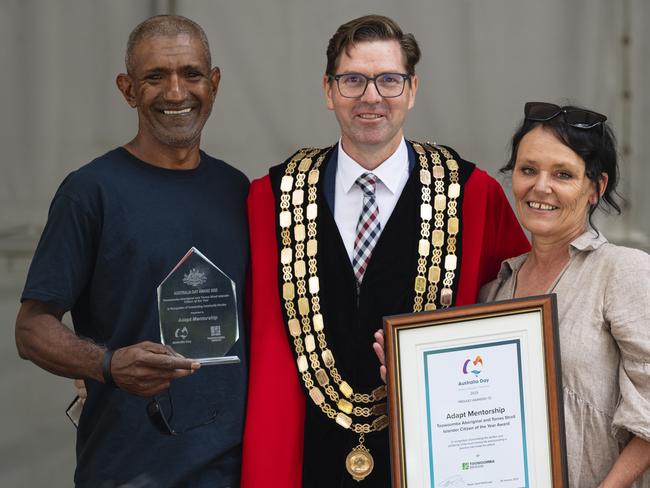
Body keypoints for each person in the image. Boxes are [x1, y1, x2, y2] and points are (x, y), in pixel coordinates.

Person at [241, 15, 530, 487]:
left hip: (433, 457)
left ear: (412, 89)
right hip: (304, 457)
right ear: (328, 90)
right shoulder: (271, 199)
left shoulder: (471, 195)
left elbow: (519, 322)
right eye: (353, 80)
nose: (371, 97)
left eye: (389, 80)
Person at [15, 15, 248, 487]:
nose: (176, 92)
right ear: (127, 89)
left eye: (191, 73)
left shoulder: (238, 190)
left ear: (214, 83)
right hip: (130, 472)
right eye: (155, 77)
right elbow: (31, 328)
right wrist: (105, 364)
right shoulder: (90, 192)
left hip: (234, 471)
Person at [480, 101, 650, 487]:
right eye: (528, 170)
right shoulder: (496, 288)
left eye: (563, 174)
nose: (541, 187)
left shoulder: (622, 271)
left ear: (596, 188)